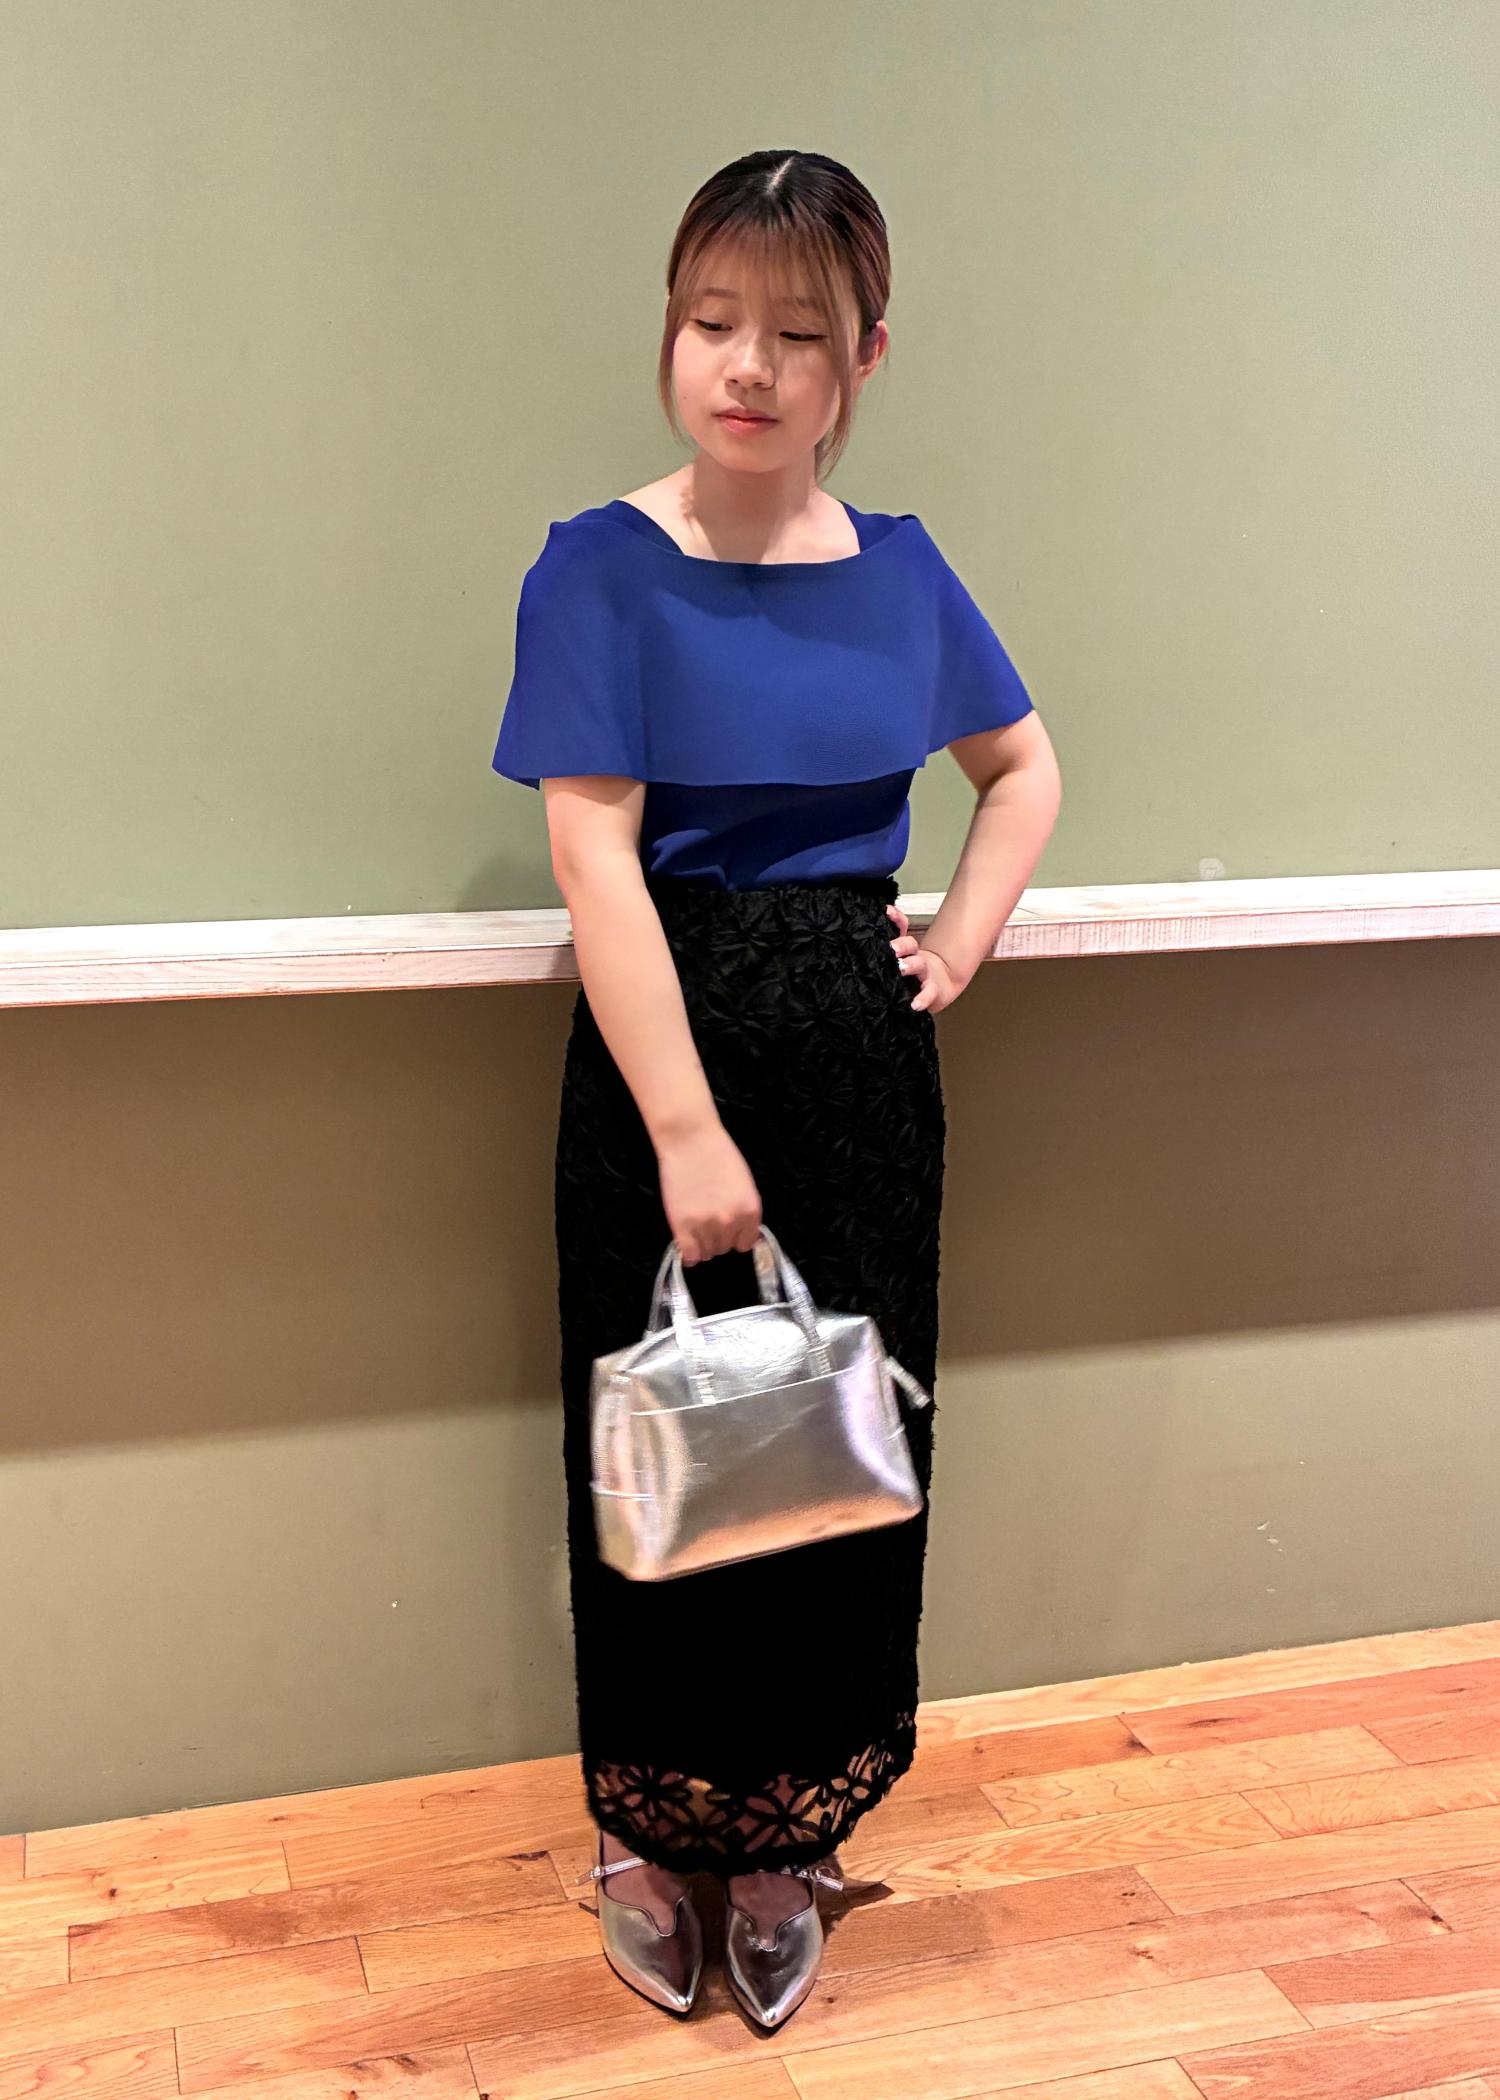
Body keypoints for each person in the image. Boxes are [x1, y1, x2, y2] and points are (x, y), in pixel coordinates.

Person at [490, 148, 1062, 2030]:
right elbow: (595, 862)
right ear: (671, 332)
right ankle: (648, 1832)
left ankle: (785, 1834)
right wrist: (685, 1132)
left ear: (863, 359)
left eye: (796, 334)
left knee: (830, 1467)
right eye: (713, 320)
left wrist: (957, 944)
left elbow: (1024, 771)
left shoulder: (903, 571)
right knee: (667, 1449)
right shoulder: (596, 566)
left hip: (858, 1068)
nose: (746, 364)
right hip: (665, 1051)